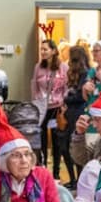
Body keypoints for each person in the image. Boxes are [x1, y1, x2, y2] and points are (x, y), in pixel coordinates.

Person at [69, 91, 101, 200]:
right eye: (93, 120)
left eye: (98, 120)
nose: (94, 125)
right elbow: (82, 159)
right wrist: (79, 134)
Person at [30, 37, 67, 177]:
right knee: (41, 139)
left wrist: (64, 103)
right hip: (41, 107)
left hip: (57, 107)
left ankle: (56, 172)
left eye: (45, 49)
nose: (43, 52)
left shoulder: (63, 67)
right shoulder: (38, 67)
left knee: (57, 140)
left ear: (53, 51)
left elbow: (67, 86)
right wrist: (34, 101)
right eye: (41, 49)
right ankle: (43, 168)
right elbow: (34, 84)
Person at [58, 45, 91, 188]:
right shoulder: (75, 73)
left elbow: (81, 97)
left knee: (75, 146)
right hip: (70, 113)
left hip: (77, 113)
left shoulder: (86, 75)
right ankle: (73, 179)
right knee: (66, 147)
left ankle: (78, 180)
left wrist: (66, 99)